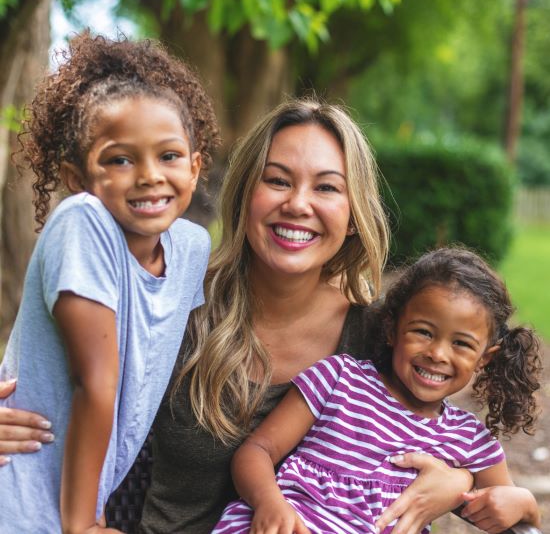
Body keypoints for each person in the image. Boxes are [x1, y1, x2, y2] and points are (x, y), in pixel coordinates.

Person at [0, 99, 518, 534]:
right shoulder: (178, 298)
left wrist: (460, 481)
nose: (298, 204)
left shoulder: (380, 337)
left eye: (327, 187)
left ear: (355, 215)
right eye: (277, 180)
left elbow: (447, 435)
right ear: (246, 192)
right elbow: (63, 376)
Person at [0, 31, 219, 533]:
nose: (148, 175)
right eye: (119, 159)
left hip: (72, 497)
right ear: (77, 178)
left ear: (194, 167)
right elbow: (94, 383)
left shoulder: (189, 248)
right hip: (20, 496)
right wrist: (83, 524)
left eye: (168, 155)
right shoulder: (83, 222)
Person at [212, 247, 542, 534]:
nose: (438, 354)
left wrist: (526, 505)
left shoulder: (467, 438)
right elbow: (257, 451)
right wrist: (269, 503)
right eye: (424, 332)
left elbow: (504, 504)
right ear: (391, 329)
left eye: (461, 343)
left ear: (484, 358)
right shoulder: (339, 379)